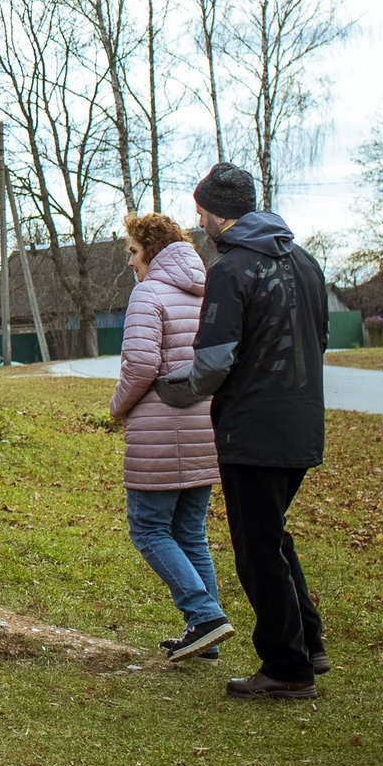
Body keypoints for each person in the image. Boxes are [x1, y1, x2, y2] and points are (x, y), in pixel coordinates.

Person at [188, 161, 329, 700]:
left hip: (252, 429)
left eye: (200, 210)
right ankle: (308, 643)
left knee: (255, 548)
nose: (197, 220)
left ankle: (286, 667)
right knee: (273, 536)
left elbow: (214, 360)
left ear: (219, 214)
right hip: (301, 423)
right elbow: (320, 338)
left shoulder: (231, 270)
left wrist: (174, 388)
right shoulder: (306, 261)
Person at [109, 212, 230, 660]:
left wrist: (117, 405)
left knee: (148, 528)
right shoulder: (206, 293)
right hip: (203, 425)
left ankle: (204, 615)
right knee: (190, 532)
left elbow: (140, 366)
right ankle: (206, 638)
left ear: (152, 252)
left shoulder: (148, 294)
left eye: (133, 252)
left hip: (161, 431)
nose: (129, 262)